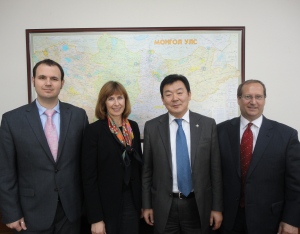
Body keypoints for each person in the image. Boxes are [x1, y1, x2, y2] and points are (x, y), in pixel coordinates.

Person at [0, 59, 88, 233]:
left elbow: (85, 165)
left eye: (54, 79)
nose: (48, 83)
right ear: (33, 80)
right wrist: (11, 213)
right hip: (30, 212)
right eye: (42, 77)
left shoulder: (78, 116)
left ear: (62, 83)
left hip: (71, 211)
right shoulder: (11, 120)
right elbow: (5, 171)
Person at [142, 74, 223, 234]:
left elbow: (215, 171)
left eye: (179, 92)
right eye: (168, 94)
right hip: (164, 206)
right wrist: (146, 205)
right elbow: (147, 172)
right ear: (163, 99)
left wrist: (217, 208)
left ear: (189, 94)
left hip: (198, 205)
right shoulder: (152, 127)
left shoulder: (208, 125)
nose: (175, 98)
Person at [217, 79, 300, 234]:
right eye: (248, 97)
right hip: (227, 220)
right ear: (238, 99)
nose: (253, 102)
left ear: (264, 100)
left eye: (258, 97)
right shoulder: (219, 131)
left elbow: (296, 183)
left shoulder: (287, 135)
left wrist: (291, 220)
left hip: (269, 220)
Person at [81, 81, 143, 234]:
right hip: (105, 205)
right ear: (104, 103)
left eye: (120, 98)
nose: (116, 103)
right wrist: (96, 218)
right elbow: (88, 177)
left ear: (125, 101)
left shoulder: (133, 127)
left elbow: (139, 168)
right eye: (111, 99)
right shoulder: (93, 131)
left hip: (131, 202)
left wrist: (141, 204)